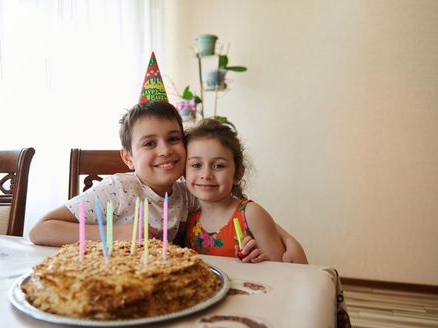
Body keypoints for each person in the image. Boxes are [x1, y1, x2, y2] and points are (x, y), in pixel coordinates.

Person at [29, 100, 198, 246]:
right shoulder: (118, 189)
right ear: (128, 158)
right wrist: (115, 234)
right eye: (149, 143)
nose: (165, 150)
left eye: (173, 139)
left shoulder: (188, 193)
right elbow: (40, 230)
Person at [185, 118, 308, 263]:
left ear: (238, 173)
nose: (206, 175)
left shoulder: (251, 214)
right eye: (196, 165)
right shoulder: (189, 218)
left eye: (218, 166)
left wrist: (258, 262)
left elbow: (279, 270)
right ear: (184, 172)